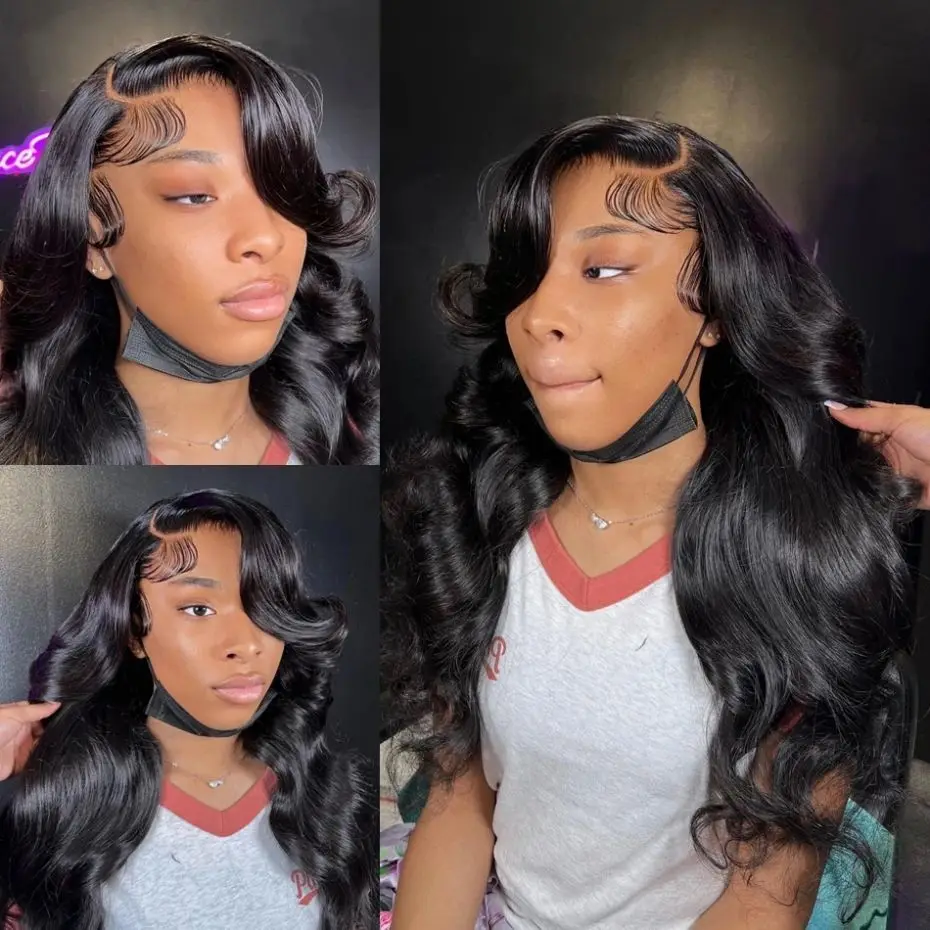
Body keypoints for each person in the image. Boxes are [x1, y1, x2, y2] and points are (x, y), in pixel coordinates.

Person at [380, 115, 924, 930]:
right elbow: (461, 806)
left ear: (716, 308)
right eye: (528, 273)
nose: (537, 314)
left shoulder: (792, 566)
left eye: (604, 268)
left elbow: (763, 900)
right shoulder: (485, 529)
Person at [0, 489, 373, 929]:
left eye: (265, 608)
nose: (247, 644)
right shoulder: (71, 809)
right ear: (134, 631)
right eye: (199, 609)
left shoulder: (324, 793)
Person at [0, 34, 379, 465]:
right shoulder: (30, 461)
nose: (267, 237)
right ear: (95, 245)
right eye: (195, 196)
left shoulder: (351, 432)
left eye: (283, 191)